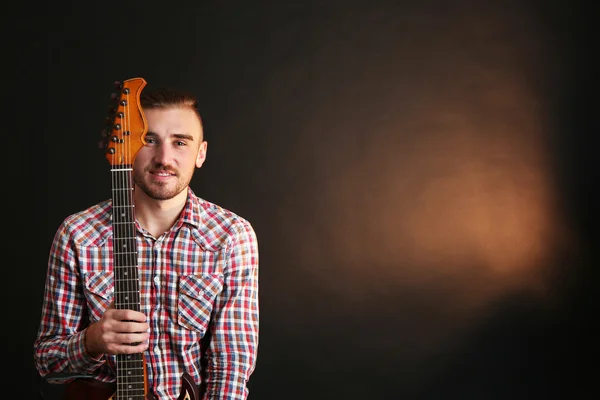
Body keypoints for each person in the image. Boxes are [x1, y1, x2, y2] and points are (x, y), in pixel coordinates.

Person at [33, 84, 259, 399]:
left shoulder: (232, 236)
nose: (163, 158)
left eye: (180, 142)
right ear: (124, 146)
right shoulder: (77, 234)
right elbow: (48, 363)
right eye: (149, 140)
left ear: (201, 153)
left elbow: (231, 367)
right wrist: (92, 340)